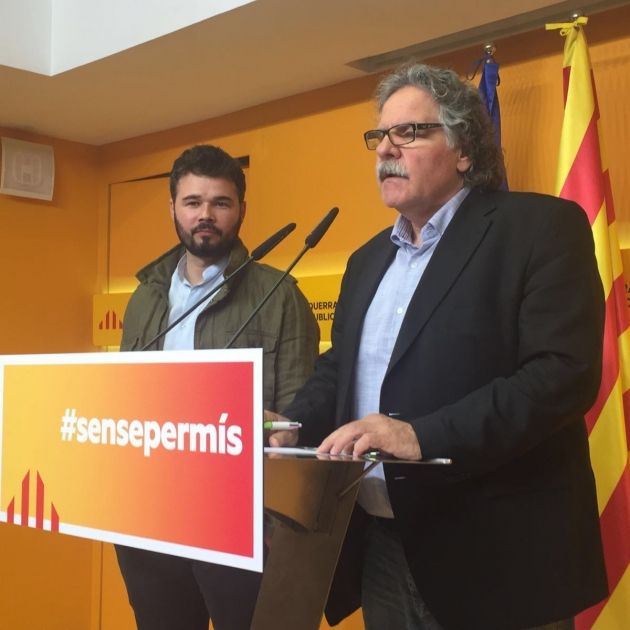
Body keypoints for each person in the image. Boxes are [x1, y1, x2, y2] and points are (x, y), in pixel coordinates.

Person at [269, 63, 608, 630]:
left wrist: (419, 435)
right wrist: (293, 425)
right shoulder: (366, 260)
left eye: (409, 132)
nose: (385, 150)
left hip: (497, 552)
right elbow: (340, 370)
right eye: (380, 135)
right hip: (382, 542)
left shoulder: (541, 228)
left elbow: (561, 376)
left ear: (464, 151)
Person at [115, 144, 319, 630]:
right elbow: (122, 403)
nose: (205, 215)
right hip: (150, 520)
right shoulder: (145, 298)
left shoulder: (279, 296)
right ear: (172, 208)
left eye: (220, 203)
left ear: (241, 210)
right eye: (192, 202)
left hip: (241, 526)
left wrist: (276, 527)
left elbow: (301, 418)